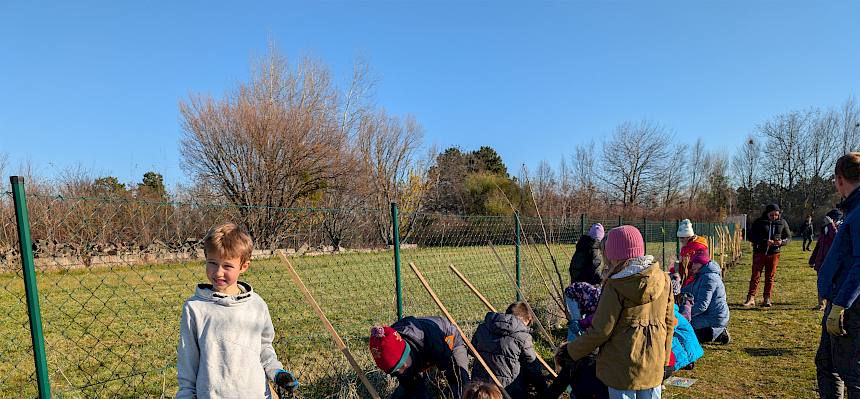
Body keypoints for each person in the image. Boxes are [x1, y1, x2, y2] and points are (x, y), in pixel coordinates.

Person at [176, 223, 298, 399]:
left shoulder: (256, 305)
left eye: (227, 266)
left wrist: (276, 372)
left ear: (244, 266)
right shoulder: (195, 308)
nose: (218, 272)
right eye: (212, 263)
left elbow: (264, 348)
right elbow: (188, 361)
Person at [558, 225, 675, 399]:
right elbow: (668, 323)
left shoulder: (615, 285)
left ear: (612, 254)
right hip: (653, 361)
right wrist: (664, 359)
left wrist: (571, 351)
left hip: (620, 367)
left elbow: (601, 330)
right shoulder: (664, 279)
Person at [815, 152, 860, 399]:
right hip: (839, 301)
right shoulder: (851, 210)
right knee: (827, 364)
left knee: (853, 374)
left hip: (849, 305)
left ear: (839, 179)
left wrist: (841, 304)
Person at [369, 316, 470, 399]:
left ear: (407, 352)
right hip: (422, 356)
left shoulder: (431, 339)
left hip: (449, 341)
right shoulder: (399, 364)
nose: (400, 372)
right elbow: (413, 388)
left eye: (402, 365)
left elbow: (453, 373)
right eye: (394, 371)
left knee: (463, 386)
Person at [471, 302, 547, 398]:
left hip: (479, 387)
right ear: (525, 318)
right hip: (508, 388)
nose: (526, 327)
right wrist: (543, 389)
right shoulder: (523, 337)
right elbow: (532, 366)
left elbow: (472, 350)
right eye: (528, 322)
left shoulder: (483, 328)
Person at [743, 203, 792, 308]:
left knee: (770, 277)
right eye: (772, 215)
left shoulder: (782, 223)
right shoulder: (759, 222)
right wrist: (764, 241)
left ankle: (767, 298)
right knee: (755, 275)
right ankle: (751, 297)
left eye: (776, 215)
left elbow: (788, 237)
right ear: (767, 213)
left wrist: (782, 242)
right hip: (759, 252)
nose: (774, 217)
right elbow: (751, 236)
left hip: (774, 253)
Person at [679, 248, 730, 344]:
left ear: (702, 263)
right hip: (708, 315)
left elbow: (702, 305)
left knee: (686, 331)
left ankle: (718, 332)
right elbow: (691, 288)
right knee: (685, 329)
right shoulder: (702, 275)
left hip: (714, 317)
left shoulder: (709, 278)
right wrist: (678, 291)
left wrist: (685, 316)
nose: (692, 266)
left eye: (695, 263)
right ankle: (717, 333)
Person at [809, 209, 843, 311]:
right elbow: (819, 245)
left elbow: (837, 240)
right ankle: (821, 303)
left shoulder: (840, 227)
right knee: (821, 282)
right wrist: (812, 259)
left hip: (833, 262)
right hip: (821, 261)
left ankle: (830, 304)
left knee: (832, 283)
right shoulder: (824, 229)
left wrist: (831, 225)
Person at [673, 219, 709, 287]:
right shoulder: (685, 246)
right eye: (679, 238)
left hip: (697, 275)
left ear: (689, 237)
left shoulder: (698, 246)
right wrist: (676, 272)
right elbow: (680, 261)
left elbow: (698, 265)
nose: (680, 240)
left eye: (682, 238)